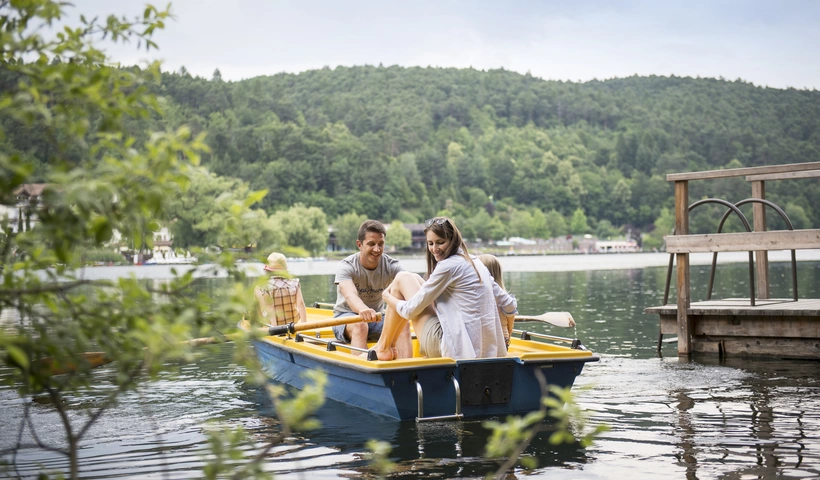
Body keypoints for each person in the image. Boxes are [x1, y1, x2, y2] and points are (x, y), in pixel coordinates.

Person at [374, 217, 516, 361]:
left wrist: (386, 297)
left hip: (453, 349)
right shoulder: (475, 262)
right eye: (430, 243)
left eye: (440, 242)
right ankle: (385, 346)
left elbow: (409, 311)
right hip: (487, 351)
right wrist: (507, 333)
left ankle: (384, 348)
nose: (434, 249)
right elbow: (510, 306)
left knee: (402, 278)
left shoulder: (448, 266)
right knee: (413, 278)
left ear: (453, 240)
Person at [332, 220, 412, 357]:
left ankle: (407, 371)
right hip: (346, 318)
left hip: (377, 317)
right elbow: (350, 295)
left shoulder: (393, 265)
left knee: (403, 324)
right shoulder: (346, 266)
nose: (377, 249)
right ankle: (362, 371)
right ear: (359, 245)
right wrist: (363, 310)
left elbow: (409, 286)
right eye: (371, 244)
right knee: (360, 325)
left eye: (381, 244)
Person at [255, 252, 307, 326]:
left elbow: (270, 308)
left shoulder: (265, 286)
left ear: (268, 271)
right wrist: (304, 326)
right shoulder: (294, 283)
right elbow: (301, 304)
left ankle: (258, 323)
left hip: (275, 326)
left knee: (257, 290)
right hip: (292, 323)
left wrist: (275, 329)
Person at [478, 254, 518, 348]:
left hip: (483, 340)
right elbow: (510, 325)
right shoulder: (505, 299)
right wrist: (509, 332)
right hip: (503, 339)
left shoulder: (476, 297)